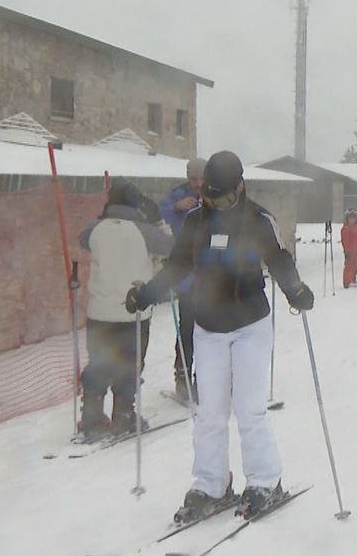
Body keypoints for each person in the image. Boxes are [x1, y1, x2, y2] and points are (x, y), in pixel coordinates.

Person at [123, 151, 315, 522]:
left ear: (240, 187)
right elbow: (177, 264)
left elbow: (277, 259)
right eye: (211, 197)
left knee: (249, 409)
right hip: (209, 327)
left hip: (250, 326)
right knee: (209, 412)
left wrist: (296, 291)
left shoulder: (259, 220)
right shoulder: (196, 221)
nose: (217, 204)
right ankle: (211, 484)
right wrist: (147, 294)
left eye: (224, 197)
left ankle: (264, 480)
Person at [78, 179, 172, 439]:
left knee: (98, 362)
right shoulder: (145, 230)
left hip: (98, 311)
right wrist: (158, 222)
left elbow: (82, 240)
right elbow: (170, 248)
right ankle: (123, 416)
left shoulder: (94, 229)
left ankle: (92, 418)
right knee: (129, 364)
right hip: (134, 310)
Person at [157, 157, 205, 403]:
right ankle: (182, 379)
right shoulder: (178, 194)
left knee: (209, 332)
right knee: (187, 329)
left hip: (211, 277)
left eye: (201, 179)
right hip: (186, 275)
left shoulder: (213, 195)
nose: (197, 184)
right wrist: (176, 207)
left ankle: (203, 380)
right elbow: (158, 212)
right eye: (193, 178)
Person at [340, 210, 357, 288]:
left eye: (353, 218)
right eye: (350, 218)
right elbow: (345, 241)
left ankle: (353, 279)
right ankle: (347, 281)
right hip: (350, 251)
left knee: (356, 266)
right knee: (349, 266)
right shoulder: (345, 229)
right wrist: (346, 251)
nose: (352, 220)